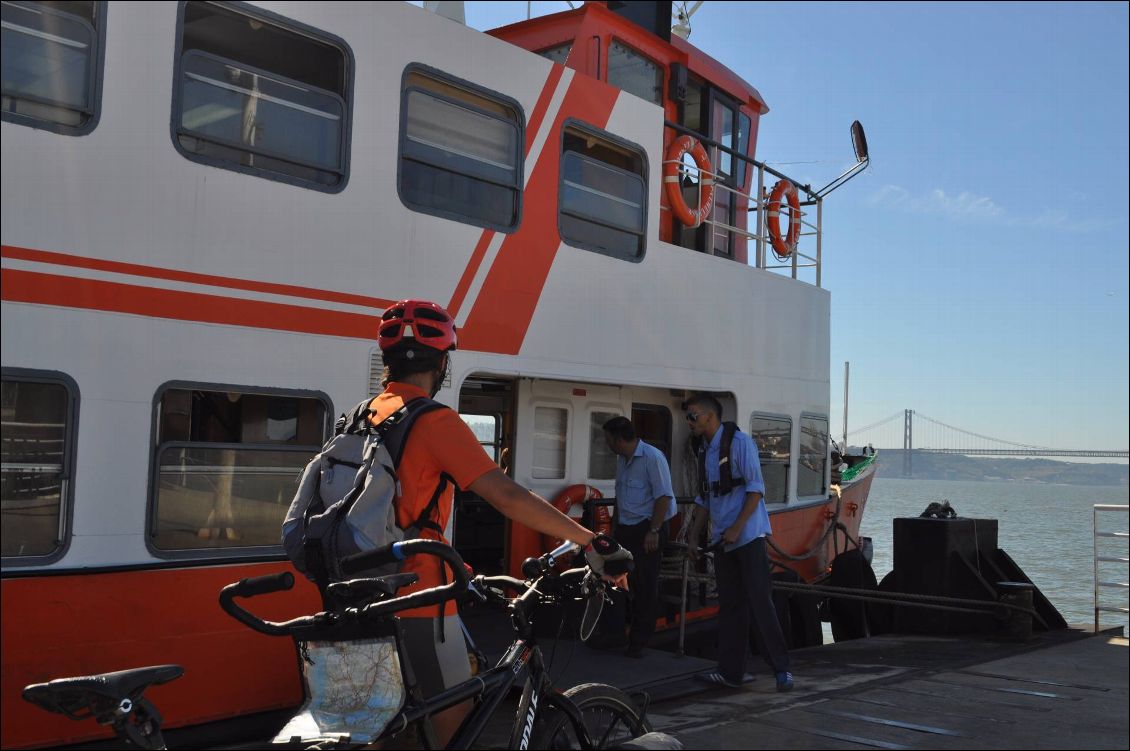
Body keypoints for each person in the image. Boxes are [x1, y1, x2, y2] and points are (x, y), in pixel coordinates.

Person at [368, 299, 632, 744]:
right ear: (444, 365)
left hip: (360, 594)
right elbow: (506, 495)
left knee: (387, 726)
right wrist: (591, 542)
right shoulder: (432, 421)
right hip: (417, 598)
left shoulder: (363, 415)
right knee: (457, 730)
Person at [684, 394, 793, 692]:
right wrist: (694, 535)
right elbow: (705, 497)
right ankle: (731, 671)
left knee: (760, 603)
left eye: (692, 416)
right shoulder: (706, 452)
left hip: (746, 538)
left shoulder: (741, 443)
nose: (689, 422)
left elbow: (756, 490)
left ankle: (782, 669)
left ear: (709, 416)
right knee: (730, 606)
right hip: (723, 540)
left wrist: (736, 527)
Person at [602, 416, 677, 657]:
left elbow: (663, 497)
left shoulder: (652, 458)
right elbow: (620, 496)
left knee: (645, 584)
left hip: (647, 528)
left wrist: (653, 531)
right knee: (622, 581)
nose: (607, 444)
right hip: (626, 528)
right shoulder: (623, 460)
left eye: (608, 439)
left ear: (618, 439)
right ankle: (617, 633)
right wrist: (615, 529)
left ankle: (639, 642)